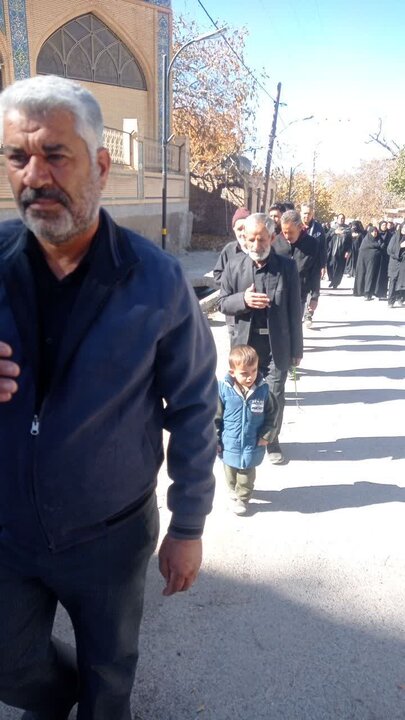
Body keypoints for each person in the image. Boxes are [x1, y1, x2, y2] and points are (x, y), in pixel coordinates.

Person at [0, 75, 217, 720]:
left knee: (109, 674)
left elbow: (196, 409)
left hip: (110, 536)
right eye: (17, 157)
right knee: (10, 664)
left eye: (55, 155)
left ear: (100, 165)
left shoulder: (157, 281)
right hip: (8, 529)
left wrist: (188, 525)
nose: (35, 176)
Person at [219, 213, 303, 465]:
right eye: (252, 239)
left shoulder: (286, 267)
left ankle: (272, 441)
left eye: (262, 239)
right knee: (244, 395)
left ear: (272, 238)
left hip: (278, 345)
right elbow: (223, 303)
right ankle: (244, 438)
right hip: (246, 347)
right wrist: (243, 300)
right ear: (244, 238)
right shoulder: (234, 266)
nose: (257, 245)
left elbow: (294, 311)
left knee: (274, 394)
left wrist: (297, 349)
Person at [215, 345, 278, 515]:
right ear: (232, 372)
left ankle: (243, 497)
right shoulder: (223, 390)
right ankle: (232, 489)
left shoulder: (263, 391)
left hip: (253, 441)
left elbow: (272, 415)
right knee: (229, 469)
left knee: (246, 470)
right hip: (229, 442)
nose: (250, 376)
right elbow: (215, 417)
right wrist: (215, 439)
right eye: (244, 373)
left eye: (254, 370)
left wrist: (266, 435)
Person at [280, 209, 323, 328]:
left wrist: (314, 297)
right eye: (284, 232)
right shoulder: (276, 243)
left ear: (300, 227)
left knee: (294, 327)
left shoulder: (312, 244)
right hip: (278, 295)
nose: (287, 236)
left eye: (291, 232)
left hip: (299, 293)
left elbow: (315, 272)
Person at [213, 207, 250, 340]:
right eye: (239, 229)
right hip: (233, 313)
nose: (243, 233)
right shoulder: (229, 250)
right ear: (234, 229)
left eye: (246, 228)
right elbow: (217, 275)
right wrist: (233, 283)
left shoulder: (260, 250)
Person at [353, 225, 389, 300]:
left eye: (376, 231)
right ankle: (367, 293)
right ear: (370, 232)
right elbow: (362, 253)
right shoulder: (366, 241)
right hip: (366, 265)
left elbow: (383, 249)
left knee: (375, 278)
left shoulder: (380, 240)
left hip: (377, 264)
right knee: (368, 277)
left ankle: (375, 292)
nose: (374, 233)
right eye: (372, 232)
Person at [326, 213, 351, 288]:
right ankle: (332, 279)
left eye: (343, 218)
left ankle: (336, 283)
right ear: (337, 219)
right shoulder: (333, 228)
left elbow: (350, 242)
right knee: (331, 265)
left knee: (339, 268)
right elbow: (326, 237)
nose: (341, 219)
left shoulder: (347, 229)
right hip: (332, 250)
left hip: (342, 251)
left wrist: (348, 251)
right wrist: (334, 232)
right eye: (340, 218)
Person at [387, 222, 405, 307]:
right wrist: (400, 246)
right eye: (403, 228)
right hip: (395, 263)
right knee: (393, 281)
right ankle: (391, 301)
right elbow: (389, 250)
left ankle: (401, 299)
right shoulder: (395, 237)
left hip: (404, 263)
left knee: (403, 282)